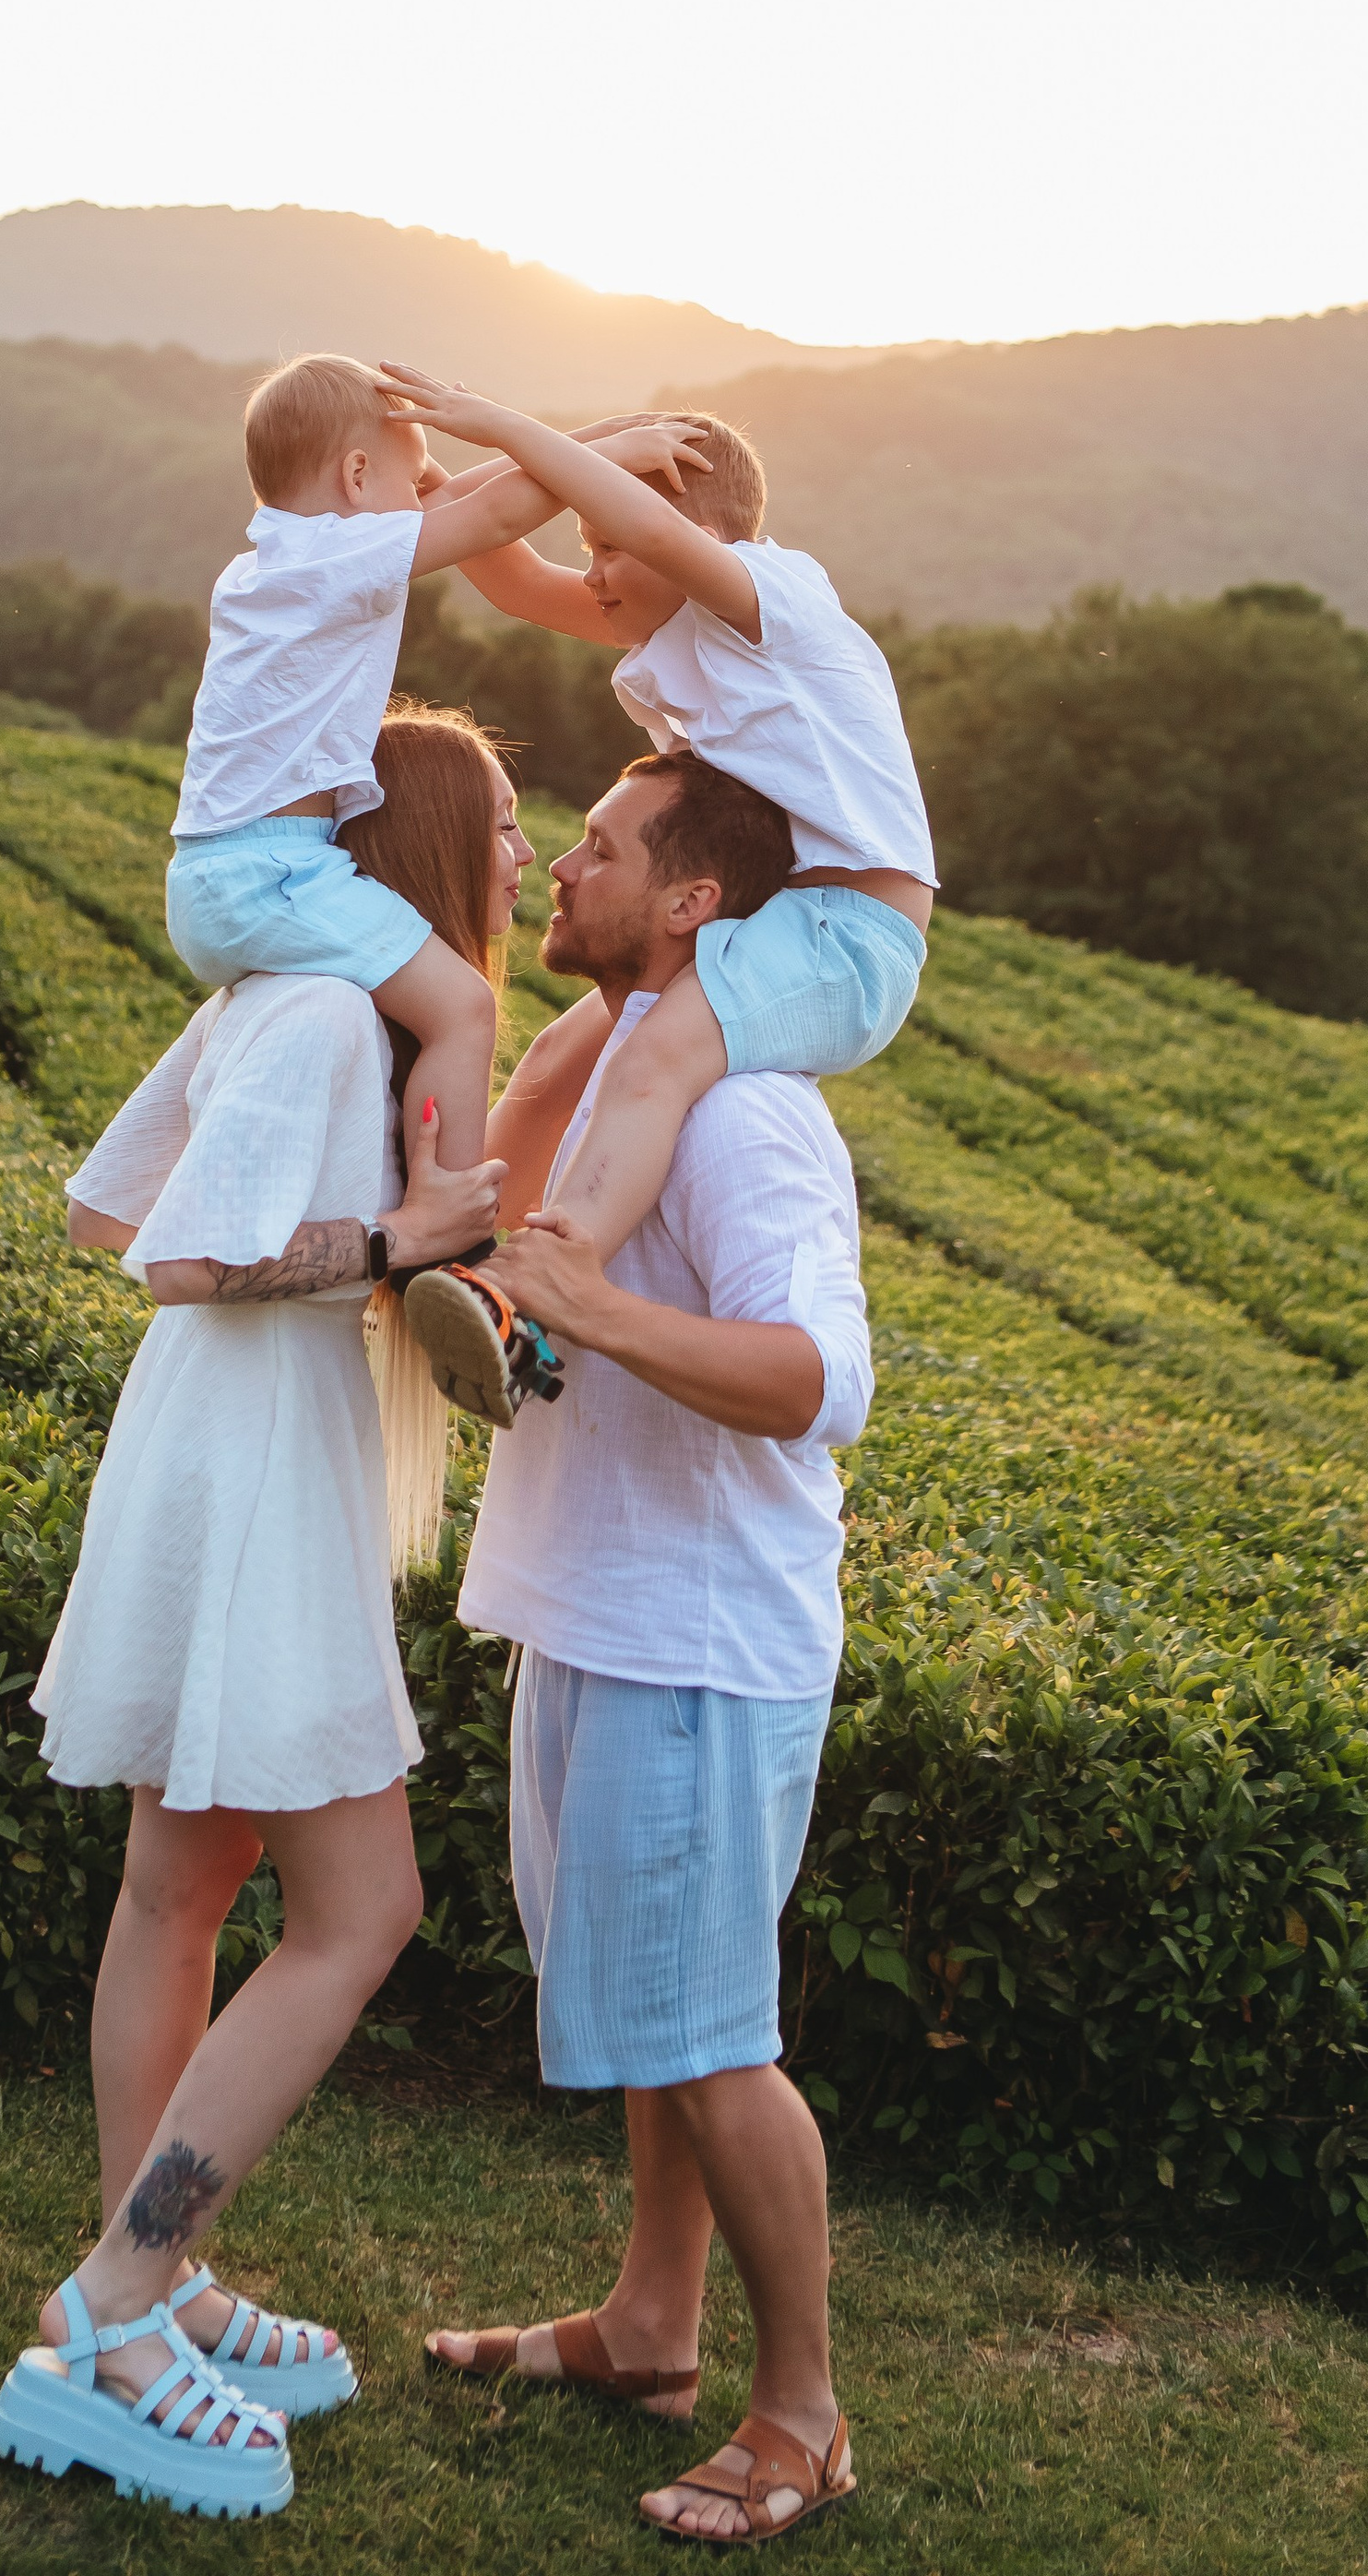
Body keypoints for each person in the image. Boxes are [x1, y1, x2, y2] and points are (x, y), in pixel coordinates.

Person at [0, 705, 526, 2523]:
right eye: (508, 828)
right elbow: (170, 1258)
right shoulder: (310, 1017)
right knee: (361, 1909)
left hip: (218, 1453)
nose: (521, 862)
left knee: (181, 1885)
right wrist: (387, 1250)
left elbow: (92, 1205)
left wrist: (396, 1252)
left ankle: (154, 2281)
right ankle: (123, 2301)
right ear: (435, 853)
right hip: (254, 1476)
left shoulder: (281, 1001)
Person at [425, 747, 873, 2546]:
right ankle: (648, 2328)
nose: (562, 869)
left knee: (711, 2036)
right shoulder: (614, 1068)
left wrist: (590, 1305)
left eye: (596, 850)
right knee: (656, 2022)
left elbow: (815, 1381)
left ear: (691, 900)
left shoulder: (743, 1107)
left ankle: (803, 2415)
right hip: (597, 1606)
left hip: (697, 1636)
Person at [373, 364, 933, 1430]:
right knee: (553, 1065)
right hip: (764, 925)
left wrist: (510, 416)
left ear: (695, 535)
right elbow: (508, 574)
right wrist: (443, 477)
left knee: (653, 1058)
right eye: (589, 545)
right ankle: (448, 1246)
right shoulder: (666, 631)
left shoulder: (775, 602)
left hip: (842, 933)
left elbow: (657, 530)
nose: (593, 571)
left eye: (610, 545)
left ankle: (536, 1293)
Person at [165, 348, 701, 1180]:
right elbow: (489, 519)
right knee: (462, 1006)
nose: (429, 501)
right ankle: (447, 1224)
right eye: (413, 485)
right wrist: (614, 460)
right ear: (354, 477)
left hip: (230, 871)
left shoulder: (279, 563)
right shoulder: (331, 559)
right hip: (270, 874)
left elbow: (483, 494)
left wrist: (609, 438)